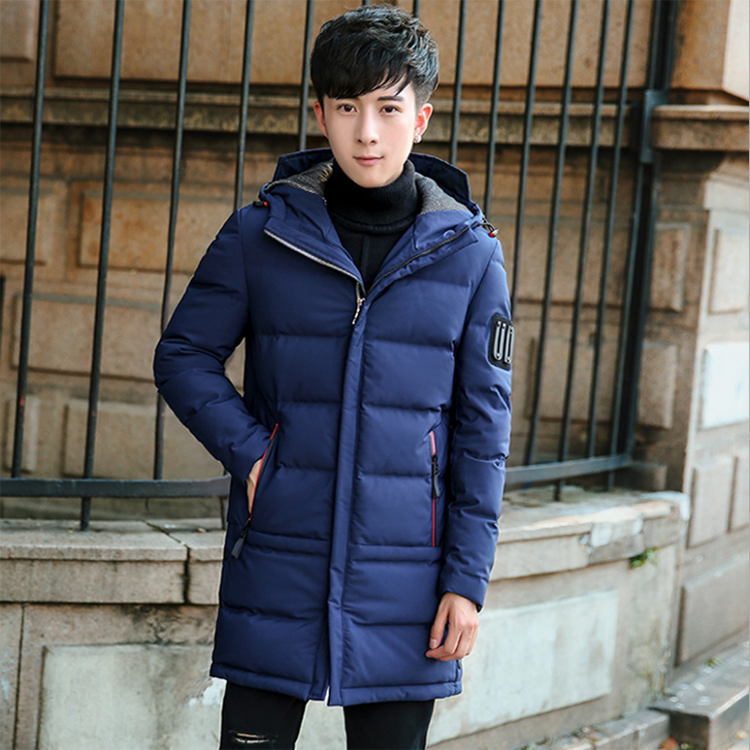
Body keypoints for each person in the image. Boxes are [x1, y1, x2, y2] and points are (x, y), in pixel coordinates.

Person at [153, 5, 512, 749]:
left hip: (408, 576)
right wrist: (255, 456)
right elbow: (183, 355)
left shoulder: (471, 257)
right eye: (347, 108)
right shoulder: (261, 233)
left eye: (388, 108)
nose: (367, 131)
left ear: (421, 119)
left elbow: (483, 432)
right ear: (321, 114)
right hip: (278, 556)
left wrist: (466, 582)